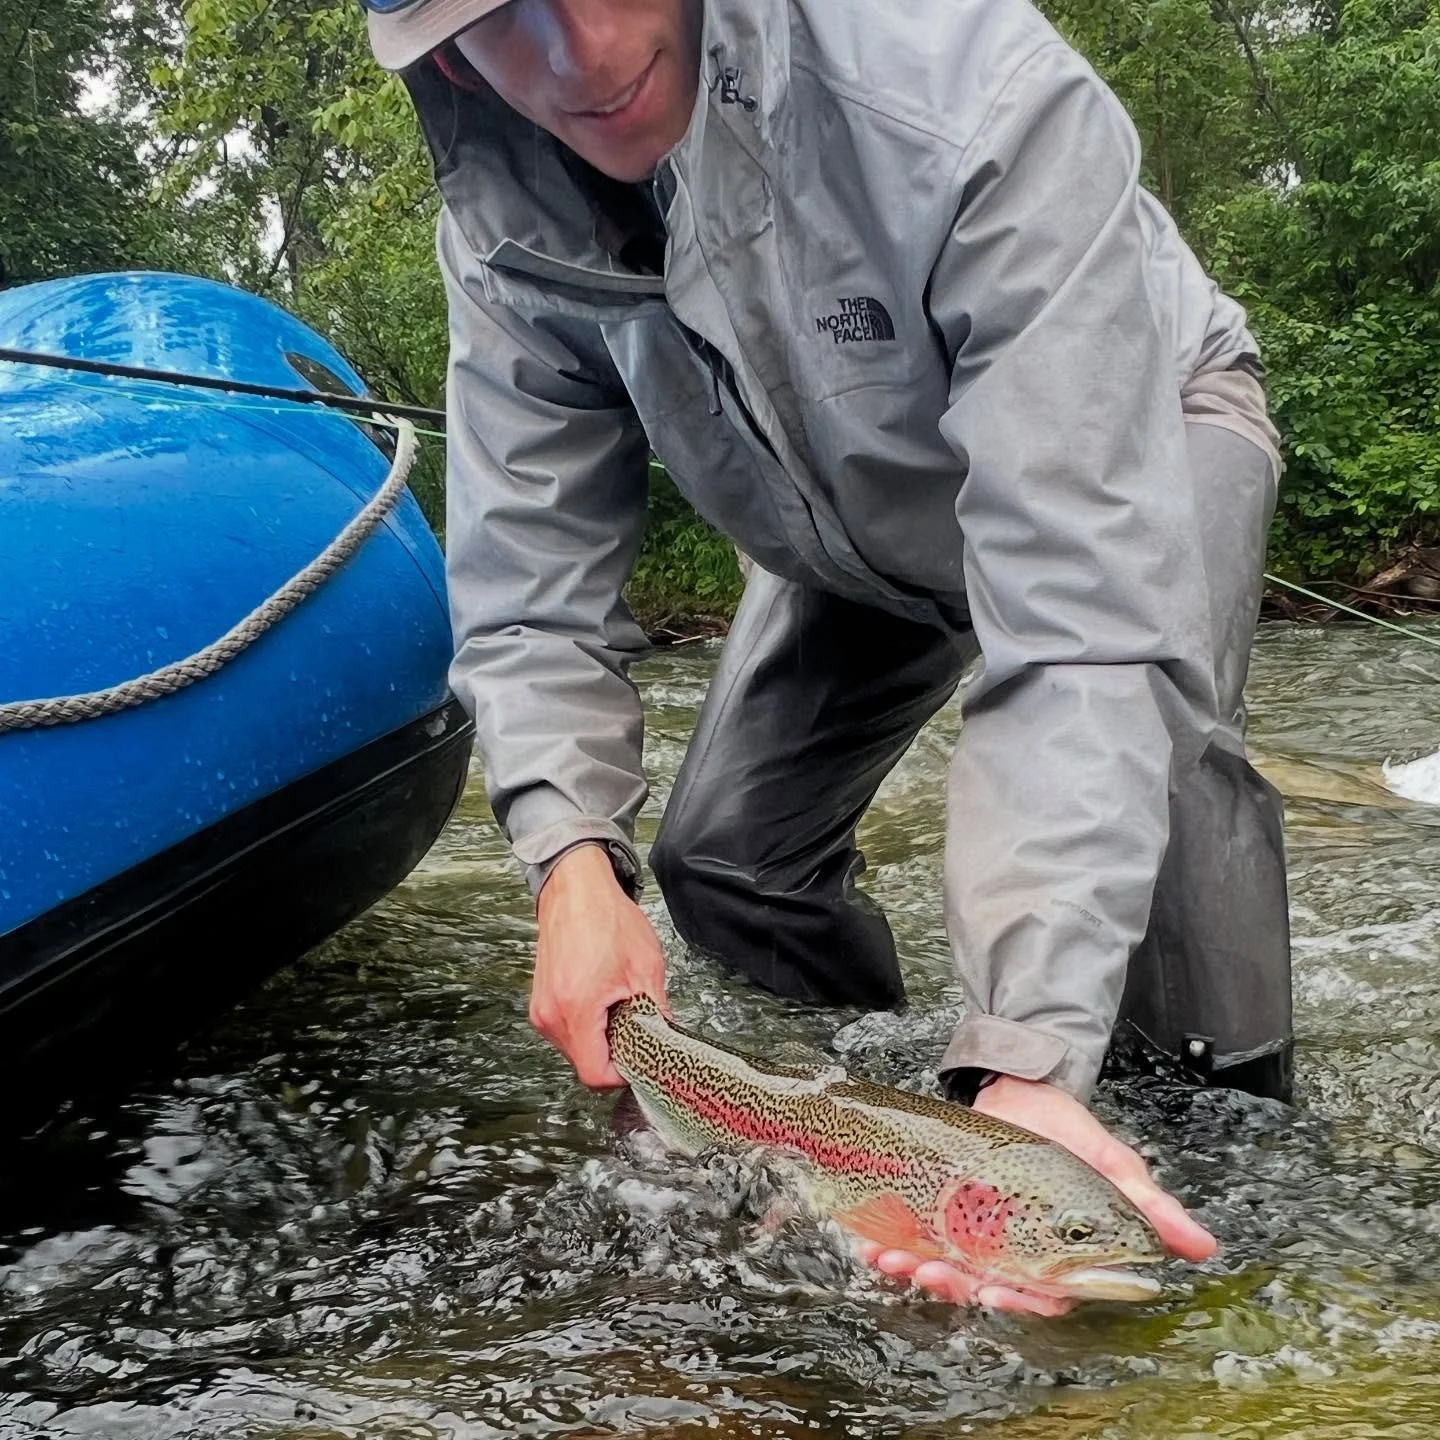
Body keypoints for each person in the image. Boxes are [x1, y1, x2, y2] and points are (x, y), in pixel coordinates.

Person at [364, 0, 1294, 1314]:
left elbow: (1080, 625)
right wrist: (569, 857)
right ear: (448, 55)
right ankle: (858, 1160)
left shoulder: (971, 87)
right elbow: (529, 590)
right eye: (509, 16)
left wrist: (1021, 1062)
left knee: (1167, 800)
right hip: (846, 529)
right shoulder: (507, 235)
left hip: (1141, 422)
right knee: (728, 858)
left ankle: (1221, 1185)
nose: (584, 56)